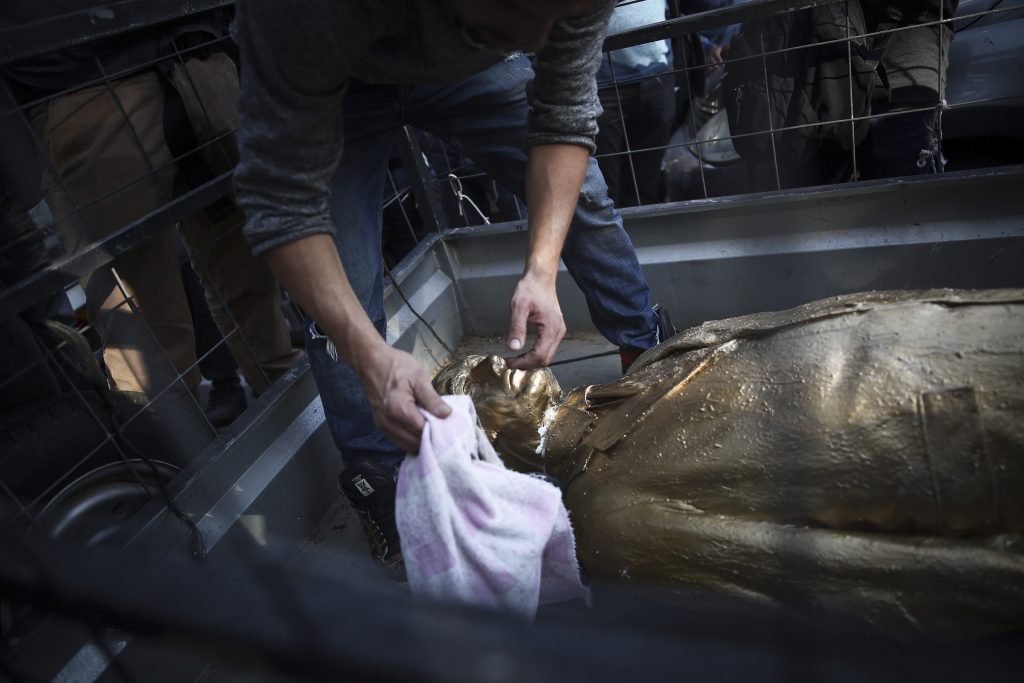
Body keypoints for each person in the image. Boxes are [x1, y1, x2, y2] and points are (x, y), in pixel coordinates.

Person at [233, 0, 671, 576]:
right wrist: (371, 358)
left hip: (470, 72)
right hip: (337, 88)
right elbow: (283, 205)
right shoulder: (303, 15)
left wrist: (541, 269)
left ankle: (649, 355)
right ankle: (380, 477)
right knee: (343, 290)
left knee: (582, 198)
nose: (540, 37)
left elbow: (563, 115)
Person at [434, 289, 1024, 638]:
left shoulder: (650, 366)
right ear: (487, 446)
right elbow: (842, 579)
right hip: (959, 448)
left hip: (959, 330)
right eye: (470, 386)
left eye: (477, 361)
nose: (488, 364)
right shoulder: (609, 520)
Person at [1, 4, 302, 423]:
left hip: (180, 62)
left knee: (244, 288)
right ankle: (187, 464)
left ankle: (297, 431)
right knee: (148, 336)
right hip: (100, 79)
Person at [595, 0, 675, 207]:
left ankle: (645, 237)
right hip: (600, 82)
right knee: (603, 193)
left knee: (646, 189)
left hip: (659, 71)